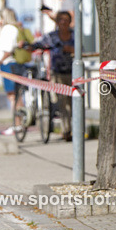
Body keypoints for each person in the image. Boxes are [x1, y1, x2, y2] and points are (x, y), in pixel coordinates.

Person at [30, 10, 76, 141]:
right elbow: (39, 44)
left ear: (69, 22)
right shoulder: (52, 36)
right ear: (56, 22)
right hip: (57, 73)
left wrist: (72, 50)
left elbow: (82, 51)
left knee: (73, 103)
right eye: (60, 20)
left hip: (74, 74)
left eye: (66, 20)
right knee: (62, 103)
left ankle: (74, 129)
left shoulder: (74, 36)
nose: (63, 23)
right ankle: (66, 131)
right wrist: (29, 46)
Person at [0, 8, 22, 133]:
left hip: (8, 64)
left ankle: (17, 124)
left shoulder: (8, 29)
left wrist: (0, 61)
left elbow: (7, 49)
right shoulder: (15, 28)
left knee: (13, 97)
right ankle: (18, 123)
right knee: (16, 95)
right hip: (13, 64)